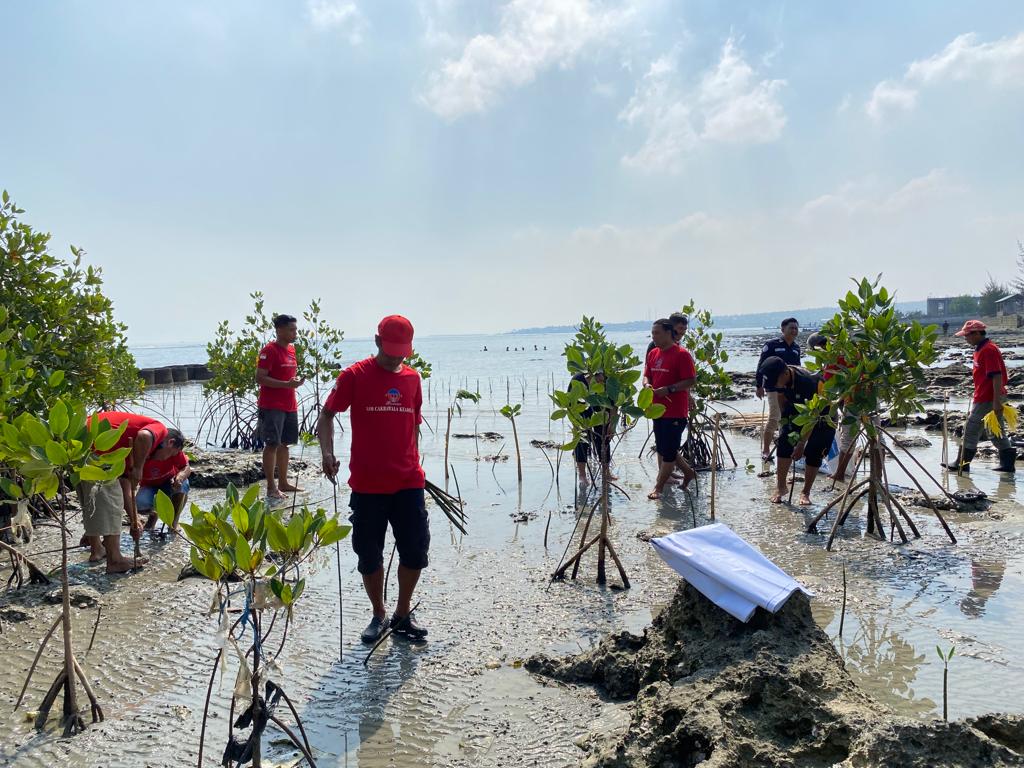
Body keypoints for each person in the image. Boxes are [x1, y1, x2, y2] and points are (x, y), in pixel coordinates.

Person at [318, 315, 430, 644]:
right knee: (368, 553)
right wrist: (327, 453)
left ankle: (402, 614)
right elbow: (326, 417)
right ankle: (379, 614)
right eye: (391, 350)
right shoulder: (355, 375)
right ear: (377, 341)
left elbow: (414, 425)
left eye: (402, 352)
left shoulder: (413, 378)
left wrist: (414, 460)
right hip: (367, 484)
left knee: (416, 549)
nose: (396, 357)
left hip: (409, 480)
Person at [79, 412, 185, 573]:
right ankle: (115, 560)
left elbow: (125, 486)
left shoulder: (128, 448)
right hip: (97, 451)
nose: (166, 459)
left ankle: (97, 549)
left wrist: (134, 519)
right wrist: (138, 468)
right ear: (170, 443)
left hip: (79, 446)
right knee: (112, 502)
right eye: (172, 453)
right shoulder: (159, 429)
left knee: (92, 500)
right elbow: (144, 436)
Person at [758, 357, 836, 505]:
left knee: (814, 451)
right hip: (796, 410)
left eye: (775, 382)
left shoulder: (809, 382)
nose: (774, 386)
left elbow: (812, 418)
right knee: (784, 443)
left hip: (822, 415)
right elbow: (781, 398)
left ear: (785, 373)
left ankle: (805, 492)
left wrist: (801, 444)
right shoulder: (779, 380)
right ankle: (781, 487)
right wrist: (785, 425)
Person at [942, 320, 1015, 473]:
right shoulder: (980, 349)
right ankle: (1007, 465)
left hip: (988, 398)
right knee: (995, 430)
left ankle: (962, 463)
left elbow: (997, 376)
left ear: (976, 333)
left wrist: (996, 402)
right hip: (985, 395)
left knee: (971, 429)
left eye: (967, 336)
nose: (965, 339)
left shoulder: (988, 350)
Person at [644, 319, 697, 500]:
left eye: (657, 333)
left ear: (669, 333)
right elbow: (647, 375)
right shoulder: (653, 353)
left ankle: (658, 487)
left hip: (675, 410)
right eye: (652, 334)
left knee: (668, 451)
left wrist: (669, 389)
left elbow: (691, 380)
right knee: (664, 447)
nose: (654, 337)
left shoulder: (682, 354)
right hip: (656, 409)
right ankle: (689, 473)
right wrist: (647, 385)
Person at [257, 314, 306, 501]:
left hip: (289, 404)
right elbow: (260, 377)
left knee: (285, 444)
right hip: (271, 406)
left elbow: (287, 377)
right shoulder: (269, 350)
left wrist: (293, 383)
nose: (295, 333)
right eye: (292, 330)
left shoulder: (292, 350)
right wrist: (286, 385)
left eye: (296, 329)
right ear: (280, 330)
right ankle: (271, 487)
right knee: (272, 444)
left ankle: (284, 482)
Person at [756, 318, 801, 461]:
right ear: (783, 329)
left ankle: (788, 447)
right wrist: (759, 386)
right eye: (791, 328)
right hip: (773, 387)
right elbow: (761, 366)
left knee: (790, 418)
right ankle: (766, 450)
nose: (794, 331)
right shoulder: (771, 345)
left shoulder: (796, 348)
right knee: (775, 417)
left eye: (796, 328)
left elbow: (798, 368)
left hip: (790, 388)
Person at [136, 445, 192, 531]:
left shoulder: (172, 448)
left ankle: (173, 522)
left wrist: (179, 478)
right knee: (140, 504)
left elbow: (186, 467)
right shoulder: (143, 451)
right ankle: (153, 516)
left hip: (170, 483)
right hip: (150, 486)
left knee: (183, 485)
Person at [570, 371, 611, 483]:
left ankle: (606, 472)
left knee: (604, 440)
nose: (600, 380)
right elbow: (570, 403)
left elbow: (613, 402)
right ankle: (582, 475)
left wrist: (612, 422)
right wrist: (575, 424)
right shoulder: (578, 378)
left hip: (602, 410)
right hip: (582, 411)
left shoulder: (608, 378)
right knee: (582, 441)